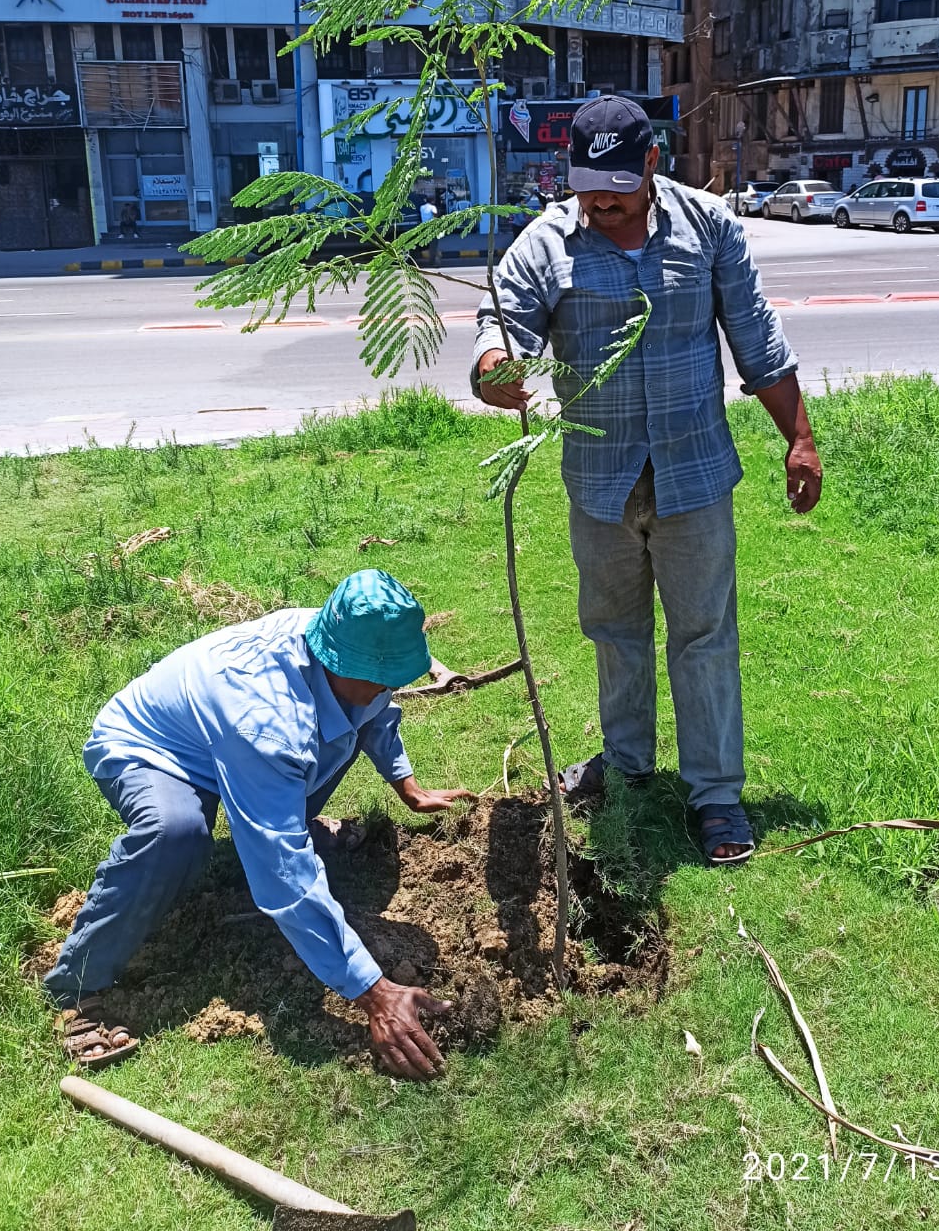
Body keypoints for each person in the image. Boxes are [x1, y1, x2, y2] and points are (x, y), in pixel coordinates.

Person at [471, 95, 822, 867]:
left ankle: (716, 797)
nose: (601, 200)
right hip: (597, 480)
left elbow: (756, 338)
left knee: (703, 637)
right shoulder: (545, 244)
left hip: (693, 474)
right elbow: (503, 324)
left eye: (618, 187)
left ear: (653, 166)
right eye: (588, 185)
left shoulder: (708, 228)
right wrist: (495, 367)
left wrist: (797, 437)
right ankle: (626, 766)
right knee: (613, 630)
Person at [45, 571, 474, 1080]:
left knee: (331, 740)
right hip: (151, 749)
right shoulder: (267, 722)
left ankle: (279, 820)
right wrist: (373, 992)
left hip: (235, 742)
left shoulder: (345, 640)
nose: (389, 687)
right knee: (176, 833)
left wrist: (406, 783)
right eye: (382, 677)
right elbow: (284, 878)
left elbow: (376, 710)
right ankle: (77, 984)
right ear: (336, 659)